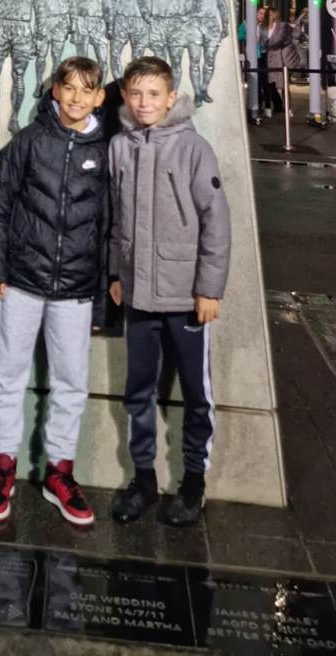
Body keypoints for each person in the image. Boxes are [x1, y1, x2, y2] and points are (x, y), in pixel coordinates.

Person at [0, 55, 109, 528]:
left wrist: (100, 297)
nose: (75, 98)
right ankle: (2, 469)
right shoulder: (30, 141)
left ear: (99, 97)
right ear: (55, 90)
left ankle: (59, 472)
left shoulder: (107, 150)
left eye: (86, 90)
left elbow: (108, 227)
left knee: (71, 383)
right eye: (68, 87)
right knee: (9, 377)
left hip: (75, 289)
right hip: (22, 281)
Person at [108, 56, 230, 527]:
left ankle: (194, 482)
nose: (144, 103)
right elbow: (117, 219)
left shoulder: (194, 148)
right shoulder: (120, 146)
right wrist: (115, 273)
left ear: (171, 97)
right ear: (125, 96)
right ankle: (144, 480)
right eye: (136, 94)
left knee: (196, 393)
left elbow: (216, 221)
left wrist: (209, 288)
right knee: (138, 391)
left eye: (154, 94)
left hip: (186, 298)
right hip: (137, 294)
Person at [261, 5, 300, 116]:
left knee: (284, 85)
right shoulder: (263, 28)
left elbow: (280, 40)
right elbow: (262, 40)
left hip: (282, 59)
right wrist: (266, 44)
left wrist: (267, 44)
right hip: (270, 58)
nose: (271, 16)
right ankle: (268, 108)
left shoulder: (283, 26)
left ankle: (288, 109)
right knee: (268, 84)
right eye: (269, 14)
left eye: (272, 14)